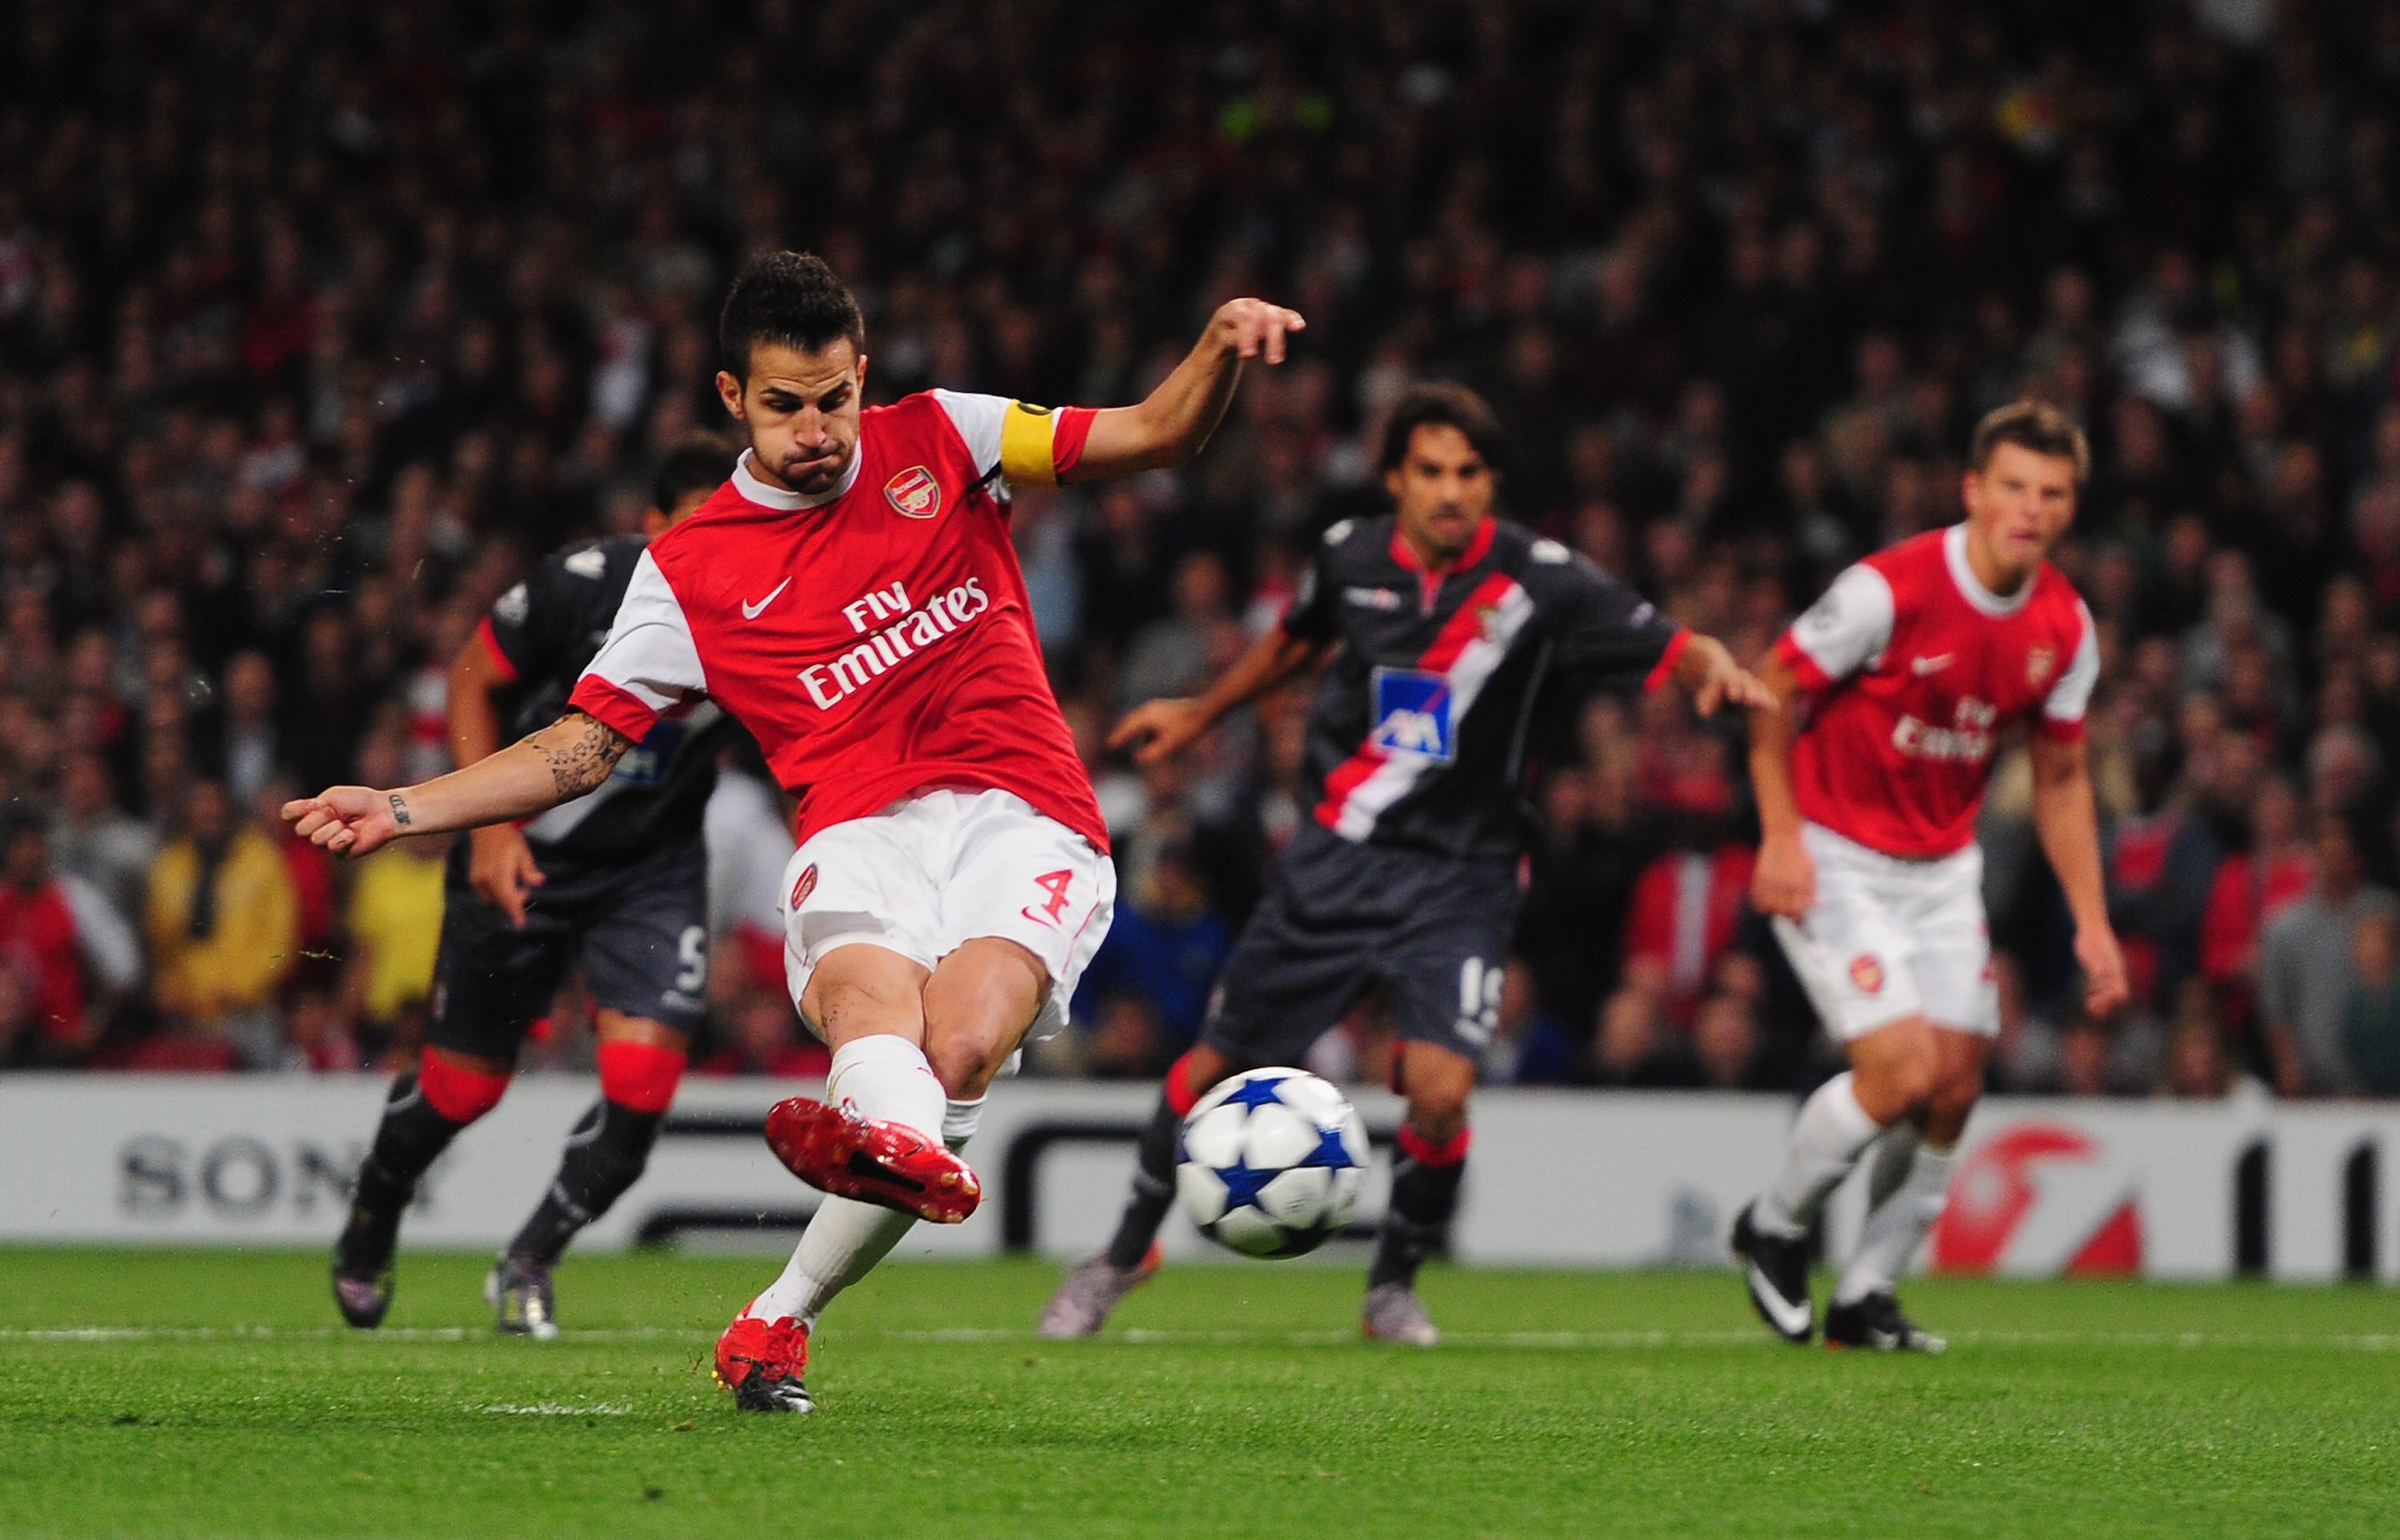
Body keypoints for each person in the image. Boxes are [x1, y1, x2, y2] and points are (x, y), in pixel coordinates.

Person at [289, 251, 1306, 1413]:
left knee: (960, 1050)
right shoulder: (687, 572)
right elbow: (578, 746)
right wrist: (408, 805)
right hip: (858, 829)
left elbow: (1156, 436)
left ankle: (814, 1257)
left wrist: (1219, 344)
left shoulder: (947, 435)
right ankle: (869, 1195)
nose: (817, 429)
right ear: (733, 398)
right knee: (887, 1027)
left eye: (835, 399)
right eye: (785, 405)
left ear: (863, 375)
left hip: (1027, 816)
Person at [1038, 382, 1766, 1345]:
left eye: (1469, 472)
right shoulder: (1350, 556)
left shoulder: (1537, 577)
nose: (1451, 490)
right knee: (1205, 1072)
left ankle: (1392, 1286)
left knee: (1439, 1088)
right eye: (1430, 471)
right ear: (1394, 479)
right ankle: (1123, 1252)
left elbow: (1668, 641)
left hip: (1459, 877)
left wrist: (1710, 665)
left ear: (1490, 482)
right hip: (1335, 859)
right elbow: (1293, 645)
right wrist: (1201, 711)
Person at [1733, 401, 2130, 1352]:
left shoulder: (2064, 627)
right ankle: (1772, 1225)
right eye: (2013, 487)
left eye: (2052, 493)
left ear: (2071, 507)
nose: (2030, 509)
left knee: (1953, 1085)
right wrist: (1781, 835)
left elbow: (2064, 778)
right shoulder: (1889, 589)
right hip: (1834, 852)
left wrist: (2093, 921)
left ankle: (1867, 1292)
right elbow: (1769, 691)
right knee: (1902, 1070)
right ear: (1973, 490)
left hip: (1943, 866)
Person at [328, 438, 737, 1338]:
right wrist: (489, 826)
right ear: (655, 527)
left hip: (650, 869)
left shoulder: (773, 606)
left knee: (642, 1087)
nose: (722, 545)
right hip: (520, 852)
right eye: (700, 526)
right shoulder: (586, 581)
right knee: (463, 1091)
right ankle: (376, 1202)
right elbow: (472, 676)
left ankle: (531, 1258)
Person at [2261, 815, 2398, 1098]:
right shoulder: (2284, 927)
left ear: (2356, 854)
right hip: (2314, 1087)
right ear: (2312, 853)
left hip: (2384, 1083)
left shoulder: (2386, 913)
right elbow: (2276, 1007)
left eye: (2342, 844)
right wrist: (2288, 1067)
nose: (2334, 851)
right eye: (2326, 843)